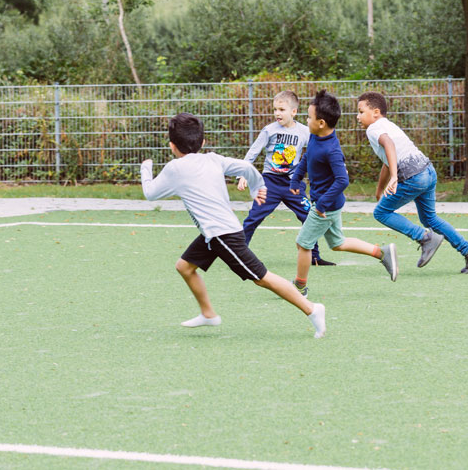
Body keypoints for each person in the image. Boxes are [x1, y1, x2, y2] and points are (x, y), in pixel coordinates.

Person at [141, 112, 327, 337]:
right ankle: (208, 314)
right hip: (214, 234)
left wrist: (146, 168)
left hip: (223, 236)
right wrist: (258, 187)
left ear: (172, 146)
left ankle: (312, 309)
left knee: (262, 278)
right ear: (203, 142)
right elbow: (246, 168)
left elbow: (150, 193)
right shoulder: (213, 158)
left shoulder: (174, 169)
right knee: (184, 266)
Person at [356, 91, 468, 274]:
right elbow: (388, 160)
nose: (357, 116)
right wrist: (379, 190)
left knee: (381, 213)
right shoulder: (389, 125)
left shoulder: (374, 128)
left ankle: (424, 238)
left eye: (361, 111)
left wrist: (394, 176)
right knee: (429, 218)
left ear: (376, 112)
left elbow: (389, 146)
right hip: (427, 171)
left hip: (413, 176)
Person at [288, 90, 397, 296]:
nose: (306, 120)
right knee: (338, 243)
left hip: (324, 206)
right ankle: (382, 253)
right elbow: (307, 158)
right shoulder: (315, 137)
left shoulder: (332, 150)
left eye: (309, 117)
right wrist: (296, 177)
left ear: (321, 122)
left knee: (303, 243)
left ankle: (299, 287)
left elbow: (342, 180)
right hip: (328, 204)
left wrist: (321, 205)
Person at [237, 90, 335, 266]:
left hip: (293, 185)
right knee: (254, 217)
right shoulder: (269, 130)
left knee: (309, 216)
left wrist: (333, 168)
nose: (277, 113)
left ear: (294, 112)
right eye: (275, 109)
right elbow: (253, 152)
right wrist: (244, 173)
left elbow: (320, 151)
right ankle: (238, 254)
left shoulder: (305, 132)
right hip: (269, 183)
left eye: (281, 109)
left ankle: (314, 257)